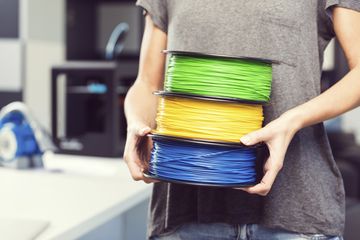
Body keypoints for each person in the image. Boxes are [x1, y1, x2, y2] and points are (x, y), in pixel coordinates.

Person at [124, 1, 360, 239]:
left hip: (296, 213)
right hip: (185, 214)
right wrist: (135, 122)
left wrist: (291, 120)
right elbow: (147, 83)